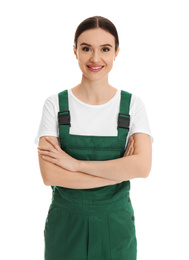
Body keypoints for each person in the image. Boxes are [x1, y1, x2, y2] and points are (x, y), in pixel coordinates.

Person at [35, 16, 153, 260]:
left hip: (116, 226)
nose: (95, 58)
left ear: (116, 53)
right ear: (75, 51)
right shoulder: (55, 105)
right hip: (66, 225)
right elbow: (51, 175)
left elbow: (141, 168)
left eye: (105, 49)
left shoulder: (132, 106)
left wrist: (75, 165)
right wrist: (118, 170)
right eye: (86, 48)